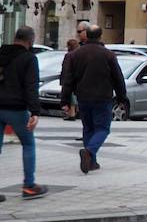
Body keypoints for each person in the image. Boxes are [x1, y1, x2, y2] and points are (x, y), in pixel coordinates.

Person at [59, 25, 127, 174]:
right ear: (100, 36)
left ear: (86, 35)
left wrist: (65, 101)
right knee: (102, 129)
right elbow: (118, 78)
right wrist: (122, 97)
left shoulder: (75, 55)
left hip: (82, 97)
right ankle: (89, 152)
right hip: (103, 97)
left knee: (88, 128)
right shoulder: (108, 55)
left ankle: (91, 162)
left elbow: (68, 80)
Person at [0, 27, 48, 200]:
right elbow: (31, 86)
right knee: (28, 144)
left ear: (14, 38)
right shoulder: (28, 59)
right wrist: (35, 111)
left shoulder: (1, 53)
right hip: (16, 109)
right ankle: (29, 186)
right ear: (31, 41)